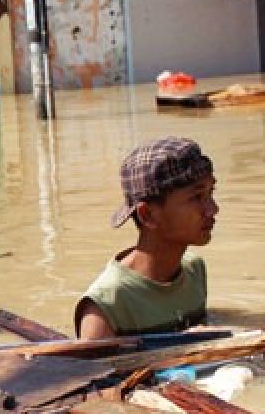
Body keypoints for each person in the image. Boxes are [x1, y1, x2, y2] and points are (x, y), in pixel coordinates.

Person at [75, 137, 218, 339]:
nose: (213, 209)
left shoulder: (194, 271)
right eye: (196, 198)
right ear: (147, 215)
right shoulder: (106, 306)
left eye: (211, 193)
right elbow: (94, 370)